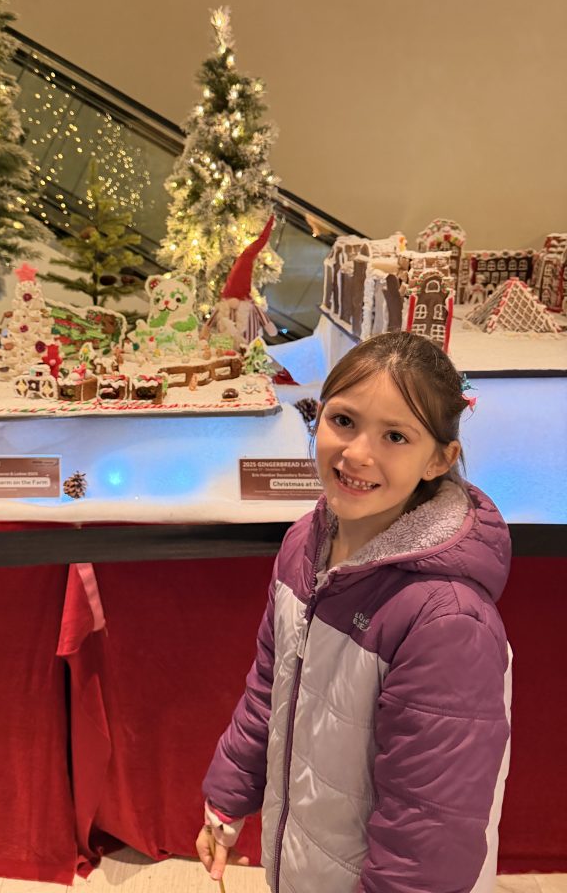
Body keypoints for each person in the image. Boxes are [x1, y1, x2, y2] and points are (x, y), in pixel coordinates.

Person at [197, 331, 512, 893]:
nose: (358, 454)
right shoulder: (304, 543)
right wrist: (227, 795)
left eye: (395, 435)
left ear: (439, 458)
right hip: (302, 862)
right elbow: (270, 687)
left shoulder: (445, 620)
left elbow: (428, 835)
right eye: (343, 420)